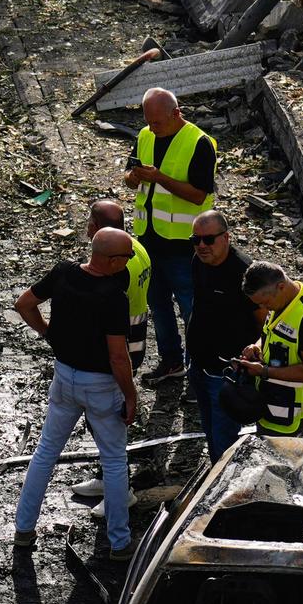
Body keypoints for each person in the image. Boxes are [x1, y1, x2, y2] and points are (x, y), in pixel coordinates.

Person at [11, 228, 139, 560]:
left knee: (45, 453)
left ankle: (23, 530)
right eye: (127, 257)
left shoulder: (63, 272)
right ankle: (120, 542)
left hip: (63, 377)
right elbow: (118, 356)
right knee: (113, 460)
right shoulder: (113, 297)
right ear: (112, 261)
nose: (128, 262)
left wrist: (49, 334)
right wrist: (131, 395)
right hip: (100, 385)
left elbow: (24, 304)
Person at [124, 87, 217, 384]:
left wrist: (160, 178)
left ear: (176, 114)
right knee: (158, 305)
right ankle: (171, 362)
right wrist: (134, 177)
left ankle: (197, 371)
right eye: (149, 121)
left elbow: (199, 194)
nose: (153, 128)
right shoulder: (145, 135)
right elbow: (129, 178)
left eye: (158, 123)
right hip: (149, 239)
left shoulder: (199, 143)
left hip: (183, 244)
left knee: (191, 308)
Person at [184, 211, 257, 462]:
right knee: (209, 430)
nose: (201, 246)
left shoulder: (244, 273)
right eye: (196, 239)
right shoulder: (198, 261)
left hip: (226, 372)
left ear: (226, 237)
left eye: (208, 240)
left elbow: (263, 321)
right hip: (198, 364)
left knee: (224, 439)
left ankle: (224, 491)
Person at [236, 261, 303, 437]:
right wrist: (257, 346)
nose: (264, 308)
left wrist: (263, 371)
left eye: (265, 303)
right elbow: (272, 332)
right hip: (276, 408)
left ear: (281, 286)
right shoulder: (282, 301)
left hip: (301, 420)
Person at [87, 199, 150, 370]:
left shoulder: (114, 266)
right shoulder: (136, 246)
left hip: (119, 342)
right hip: (136, 336)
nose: (88, 227)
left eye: (90, 222)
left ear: (95, 226)